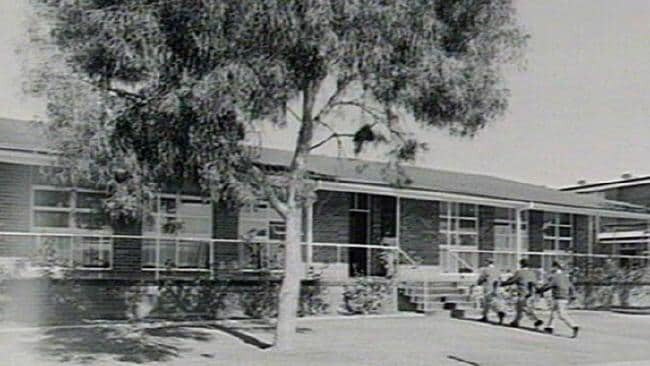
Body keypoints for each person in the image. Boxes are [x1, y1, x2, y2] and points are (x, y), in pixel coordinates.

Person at [537, 261, 580, 338]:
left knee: (561, 314)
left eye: (552, 267)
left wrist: (540, 290)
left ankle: (574, 326)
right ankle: (550, 327)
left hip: (559, 297)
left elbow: (549, 285)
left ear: (556, 267)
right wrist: (573, 295)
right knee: (554, 312)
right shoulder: (565, 276)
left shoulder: (555, 277)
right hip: (564, 297)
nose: (551, 268)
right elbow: (571, 286)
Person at [500, 258, 544, 329]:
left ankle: (536, 320)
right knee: (519, 308)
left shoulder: (520, 272)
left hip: (522, 292)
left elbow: (512, 280)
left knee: (524, 308)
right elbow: (535, 283)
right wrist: (538, 290)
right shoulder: (532, 273)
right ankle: (515, 322)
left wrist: (503, 283)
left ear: (521, 264)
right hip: (530, 293)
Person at [476, 258, 506, 324]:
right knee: (488, 303)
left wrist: (479, 282)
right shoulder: (497, 270)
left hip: (488, 287)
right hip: (496, 288)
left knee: (489, 302)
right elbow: (500, 279)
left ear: (487, 262)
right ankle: (485, 315)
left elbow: (481, 278)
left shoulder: (486, 270)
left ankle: (499, 312)